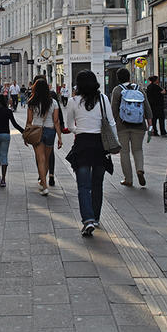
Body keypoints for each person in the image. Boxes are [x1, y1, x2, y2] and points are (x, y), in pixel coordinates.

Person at [66, 70, 113, 236]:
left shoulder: (73, 101)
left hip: (82, 144)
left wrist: (79, 130)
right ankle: (96, 217)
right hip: (100, 145)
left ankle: (87, 220)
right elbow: (111, 123)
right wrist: (114, 144)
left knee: (83, 186)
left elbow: (69, 125)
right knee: (97, 184)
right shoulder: (103, 99)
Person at [111, 68, 153, 187]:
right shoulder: (138, 88)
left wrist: (112, 125)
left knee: (124, 152)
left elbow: (113, 109)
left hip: (122, 125)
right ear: (129, 77)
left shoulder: (117, 90)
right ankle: (139, 169)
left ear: (118, 78)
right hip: (139, 125)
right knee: (138, 150)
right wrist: (150, 124)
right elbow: (147, 107)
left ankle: (128, 179)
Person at [26, 78, 63, 195]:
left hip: (37, 131)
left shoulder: (31, 102)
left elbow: (29, 121)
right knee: (46, 159)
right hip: (50, 131)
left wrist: (27, 134)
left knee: (40, 159)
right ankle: (43, 182)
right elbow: (56, 121)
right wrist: (60, 137)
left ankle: (44, 185)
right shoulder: (53, 102)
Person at [0, 93, 24, 187]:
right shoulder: (8, 111)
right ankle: (3, 179)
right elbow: (14, 124)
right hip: (6, 134)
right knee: (4, 155)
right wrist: (23, 131)